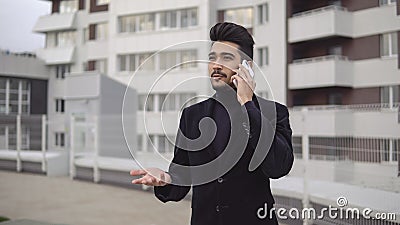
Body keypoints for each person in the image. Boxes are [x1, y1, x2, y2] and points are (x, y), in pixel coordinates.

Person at [130, 22, 294, 225]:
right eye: (212, 58)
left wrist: (248, 105)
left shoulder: (274, 113)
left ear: (247, 67)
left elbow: (278, 167)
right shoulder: (192, 115)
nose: (216, 65)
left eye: (226, 58)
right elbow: (182, 176)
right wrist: (166, 178)